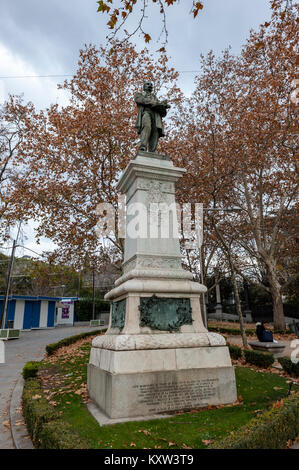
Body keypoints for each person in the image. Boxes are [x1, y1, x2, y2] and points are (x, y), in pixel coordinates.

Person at [134, 81, 170, 153]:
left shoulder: (154, 97)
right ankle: (143, 146)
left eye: (151, 84)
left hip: (155, 115)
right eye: (147, 84)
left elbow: (159, 107)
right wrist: (153, 103)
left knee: (155, 131)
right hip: (146, 112)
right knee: (147, 127)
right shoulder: (139, 94)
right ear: (144, 87)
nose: (150, 85)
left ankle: (153, 150)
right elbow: (140, 100)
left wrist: (163, 105)